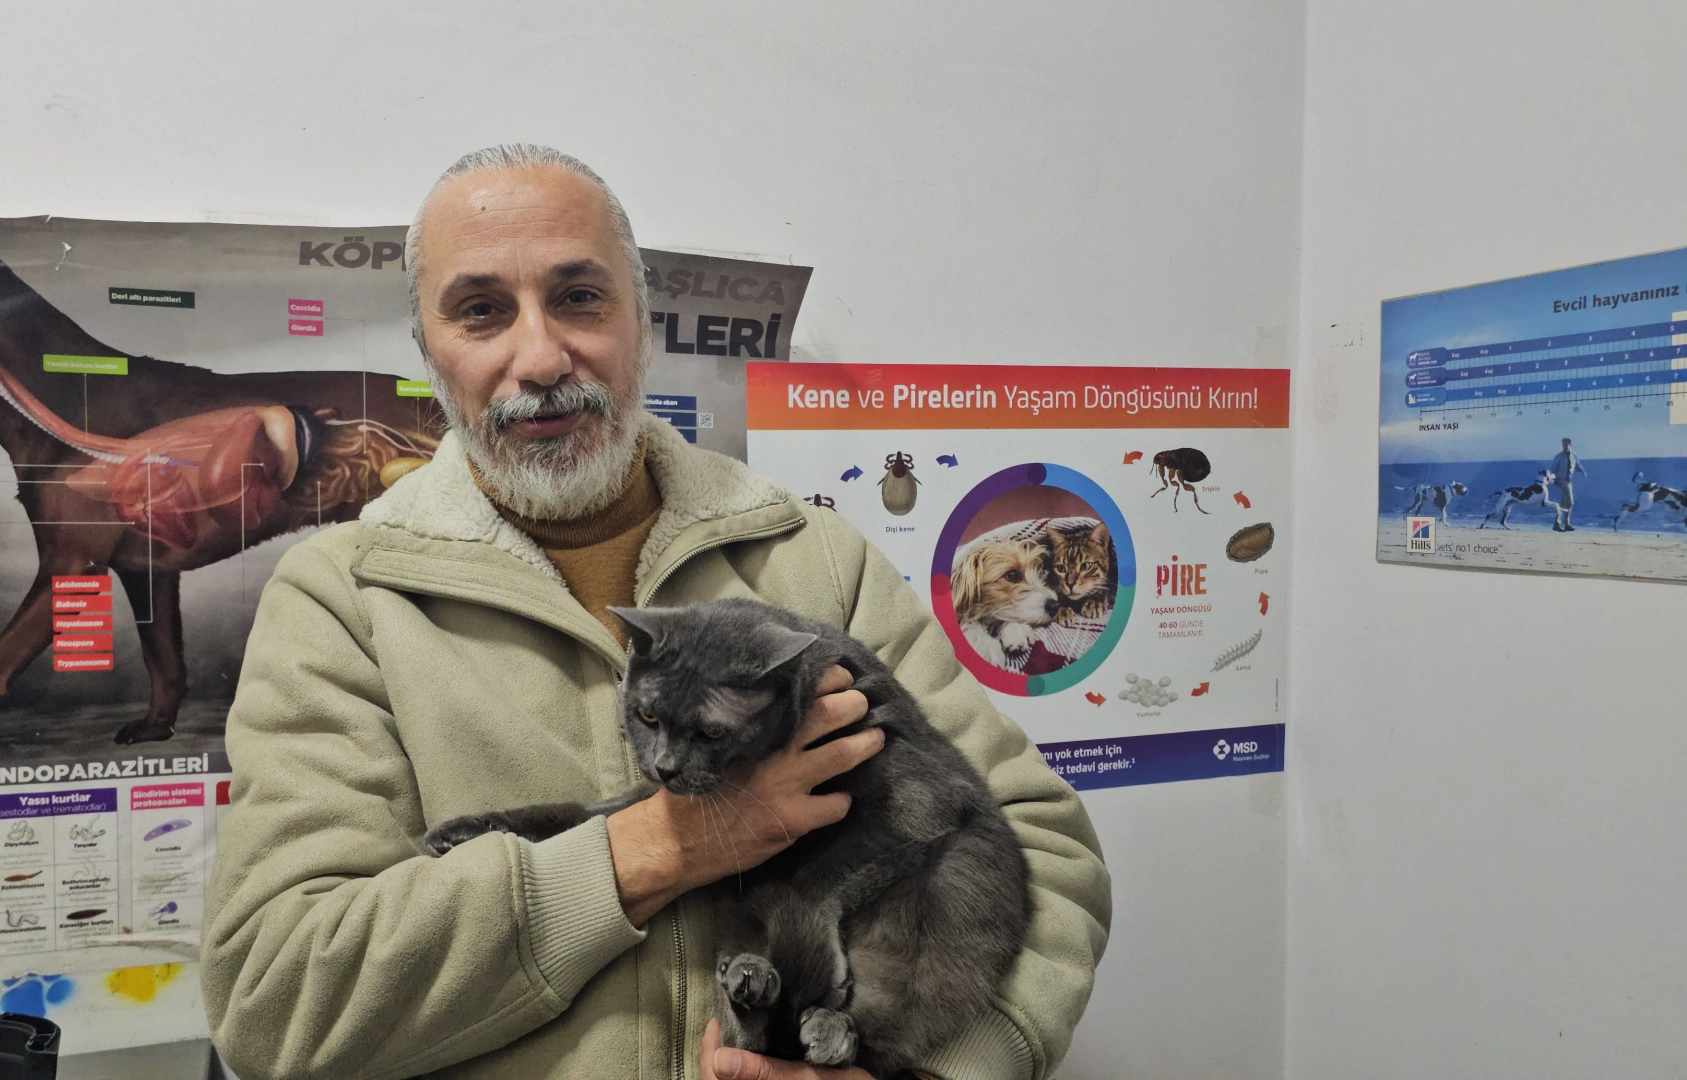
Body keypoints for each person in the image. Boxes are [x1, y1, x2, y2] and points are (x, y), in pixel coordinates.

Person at [201, 144, 1111, 1080]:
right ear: (428, 350)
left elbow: (1046, 856)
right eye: (480, 311)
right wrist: (653, 848)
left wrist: (940, 1068)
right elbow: (275, 1000)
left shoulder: (815, 560)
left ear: (641, 325)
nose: (540, 357)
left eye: (579, 298)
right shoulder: (344, 599)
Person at [1552, 437, 1586, 531]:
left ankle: (1558, 523)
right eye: (1563, 445)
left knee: (1563, 504)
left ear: (1570, 445)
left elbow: (1577, 466)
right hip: (1561, 481)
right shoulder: (1559, 457)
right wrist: (1551, 478)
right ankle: (1566, 523)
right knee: (1570, 502)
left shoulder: (1573, 455)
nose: (1565, 446)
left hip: (1569, 481)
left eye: (1566, 445)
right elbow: (1553, 469)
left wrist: (1583, 472)